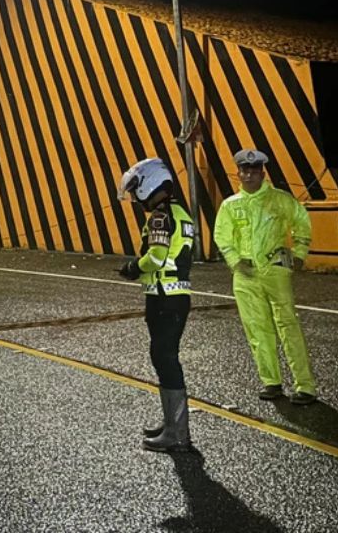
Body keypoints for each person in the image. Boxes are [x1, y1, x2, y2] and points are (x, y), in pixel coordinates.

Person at [213, 149, 317, 405]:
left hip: (275, 270)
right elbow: (222, 237)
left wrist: (299, 254)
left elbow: (301, 223)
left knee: (288, 326)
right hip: (245, 275)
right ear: (238, 173)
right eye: (244, 170)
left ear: (262, 173)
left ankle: (305, 386)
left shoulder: (280, 200)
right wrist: (235, 261)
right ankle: (271, 382)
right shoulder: (230, 205)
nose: (249, 175)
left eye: (254, 170)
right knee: (257, 330)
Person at [117, 157, 196, 453]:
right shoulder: (180, 213)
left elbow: (157, 257)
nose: (135, 198)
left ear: (148, 185)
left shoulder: (160, 217)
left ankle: (178, 434)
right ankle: (172, 424)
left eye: (135, 190)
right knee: (164, 357)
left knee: (165, 359)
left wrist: (133, 267)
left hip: (164, 297)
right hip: (175, 296)